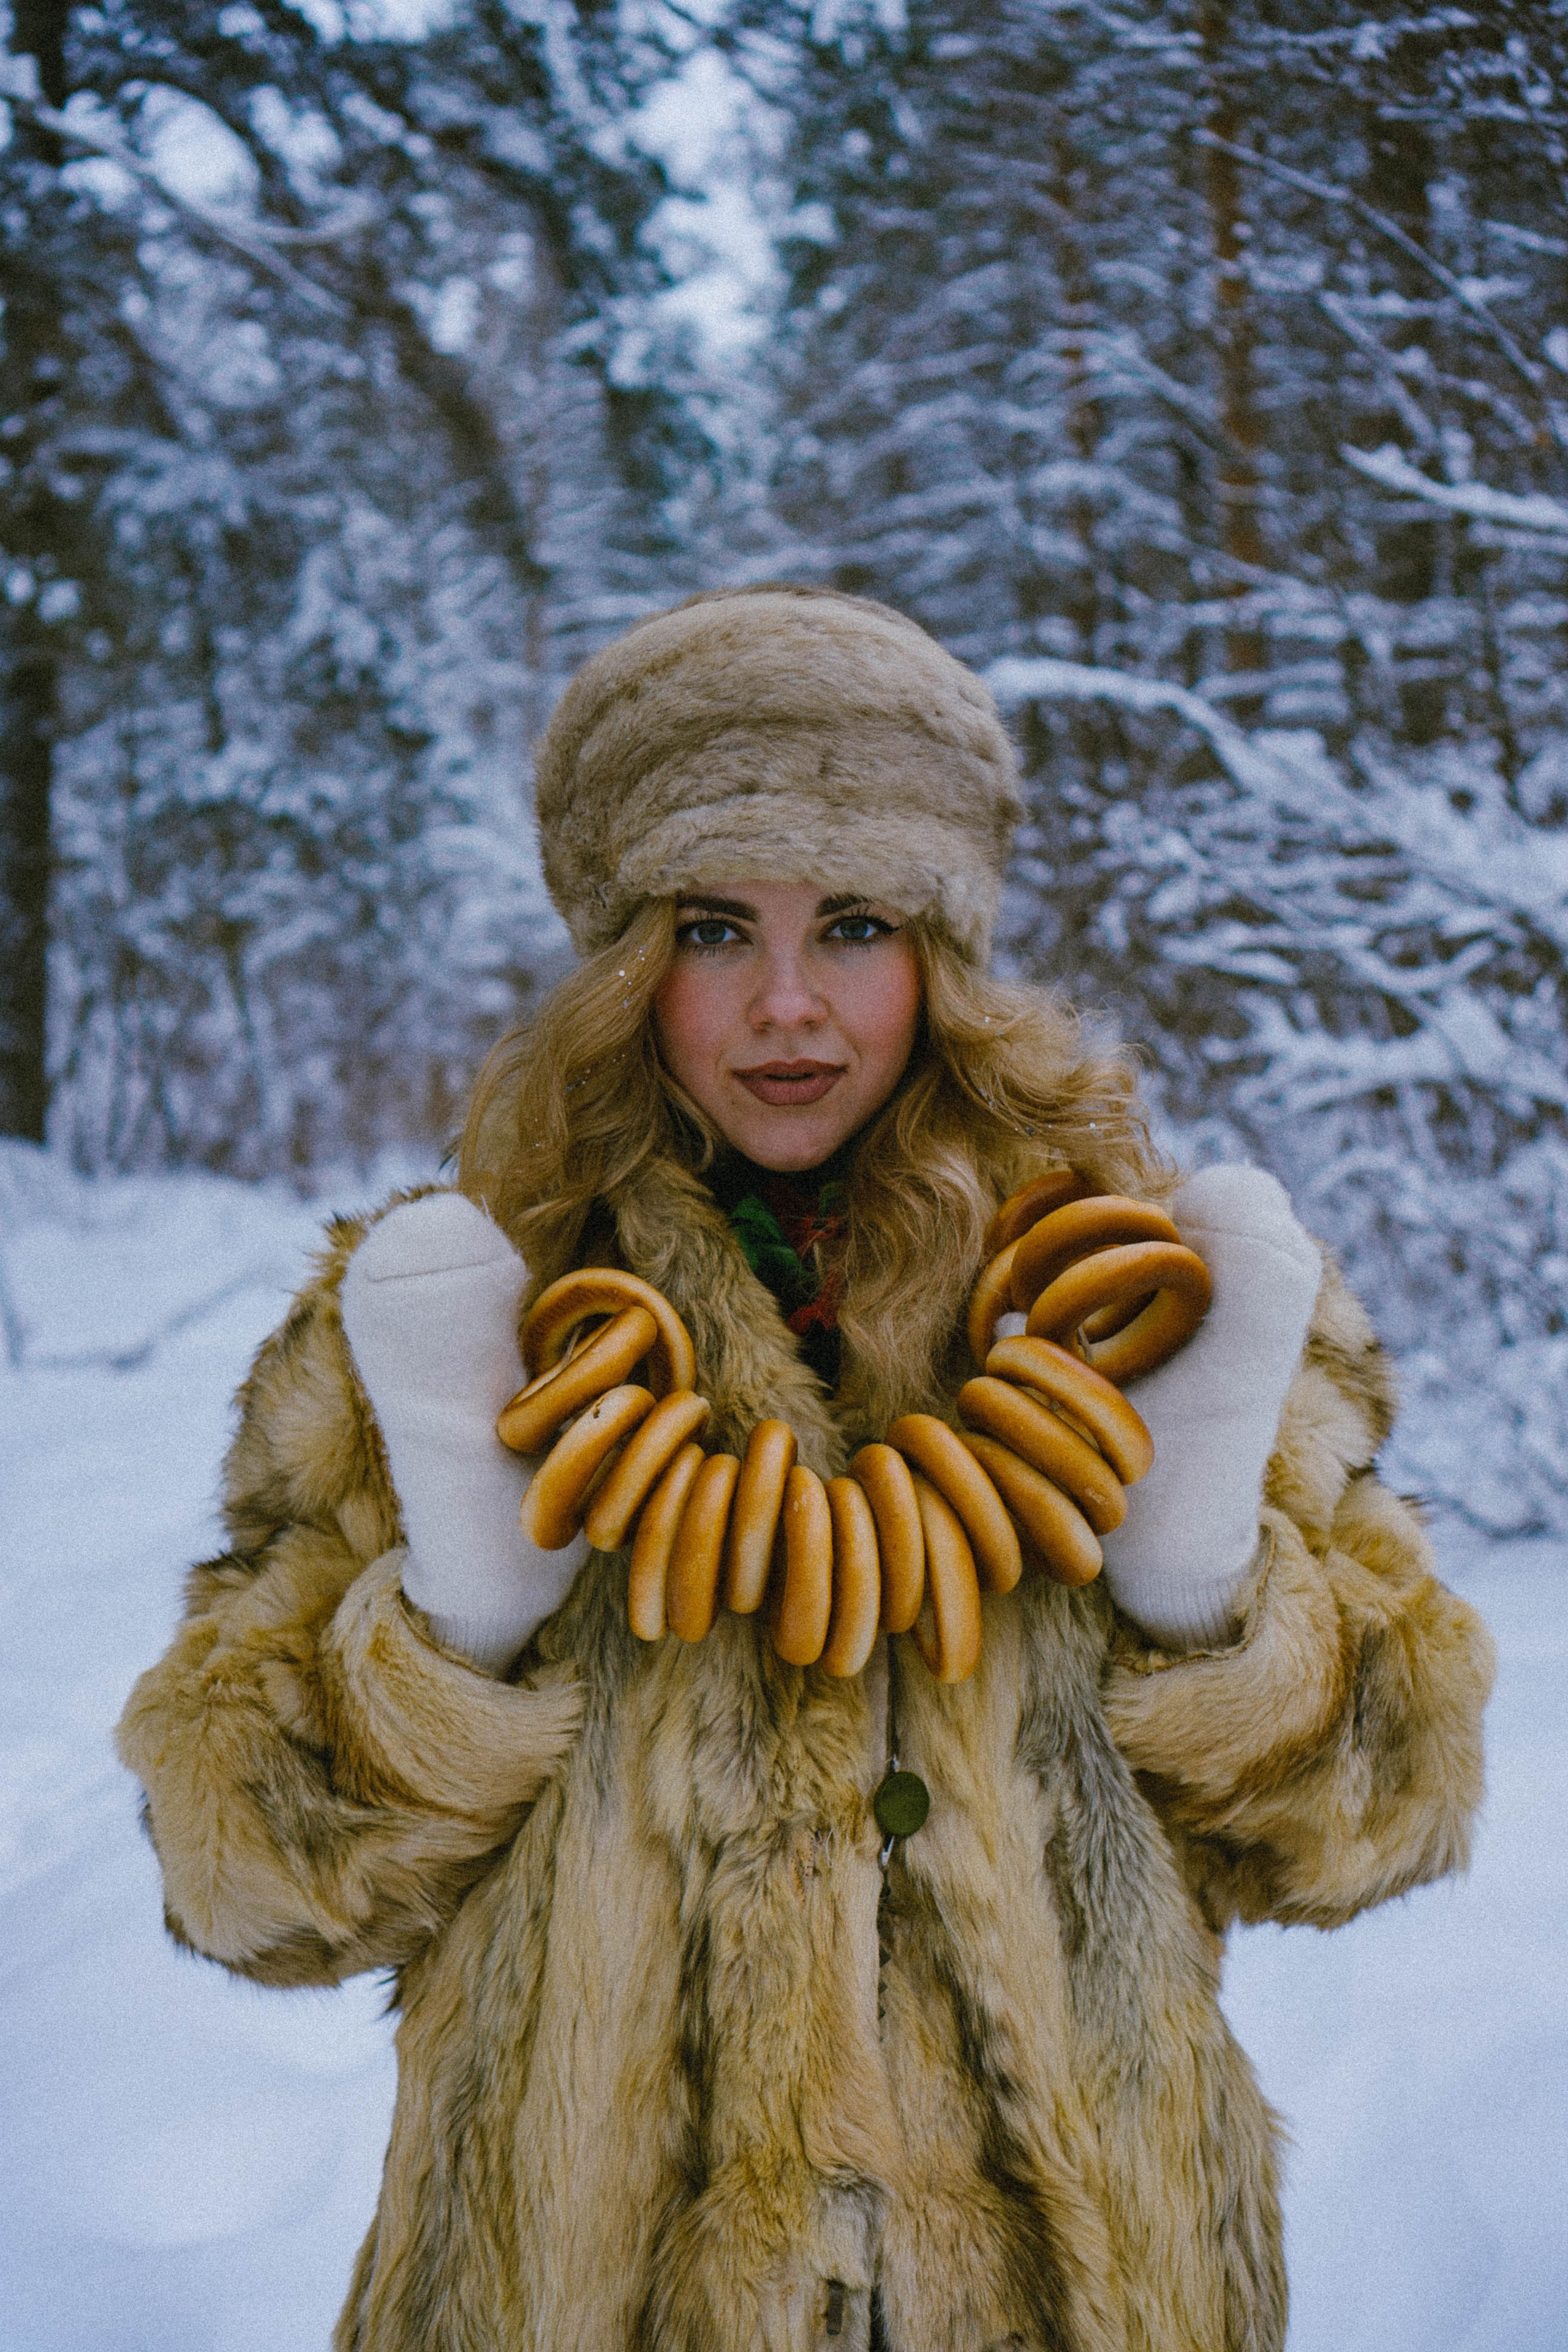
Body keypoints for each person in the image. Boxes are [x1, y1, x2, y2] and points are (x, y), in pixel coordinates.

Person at [116, 586, 1493, 2352]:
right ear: (628, 958)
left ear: (942, 952)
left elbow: (1378, 1819)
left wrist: (1204, 1580)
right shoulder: (456, 1315)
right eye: (711, 927)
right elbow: (245, 1880)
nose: (785, 1005)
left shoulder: (1146, 1309)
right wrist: (457, 1615)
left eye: (851, 924)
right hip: (575, 2296)